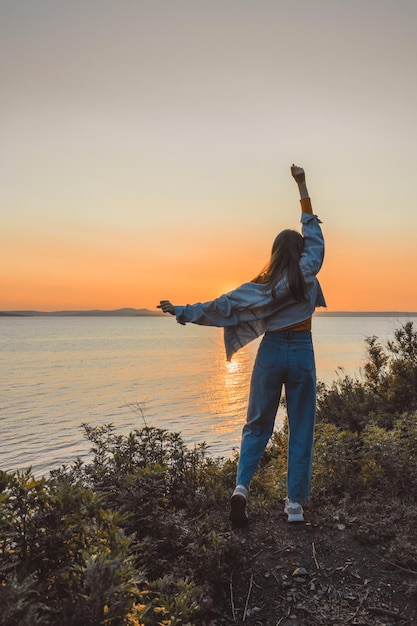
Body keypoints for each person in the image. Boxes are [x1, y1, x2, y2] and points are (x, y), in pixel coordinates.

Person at [158, 164, 326, 528]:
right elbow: (315, 238)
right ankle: (294, 506)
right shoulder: (309, 272)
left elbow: (224, 305)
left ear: (275, 253)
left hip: (271, 353)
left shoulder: (261, 288)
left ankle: (241, 489)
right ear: (298, 252)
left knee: (256, 425)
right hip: (301, 351)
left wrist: (183, 310)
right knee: (300, 428)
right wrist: (302, 186)